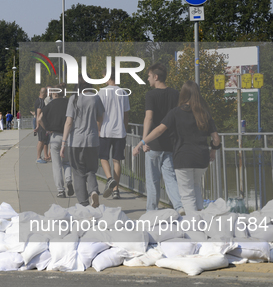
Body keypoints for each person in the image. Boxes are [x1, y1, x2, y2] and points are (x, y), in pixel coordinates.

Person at [133, 80, 221, 214]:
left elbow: (159, 130)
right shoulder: (204, 114)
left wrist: (142, 142)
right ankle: (200, 217)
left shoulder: (175, 112)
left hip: (183, 157)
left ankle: (193, 224)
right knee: (196, 187)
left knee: (186, 194)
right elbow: (216, 138)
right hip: (202, 158)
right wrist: (213, 150)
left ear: (183, 94)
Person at [136, 63, 184, 213]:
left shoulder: (151, 95)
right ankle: (180, 206)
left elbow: (148, 118)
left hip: (153, 144)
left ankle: (152, 211)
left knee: (152, 180)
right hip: (170, 143)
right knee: (170, 179)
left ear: (156, 77)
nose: (148, 79)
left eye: (149, 76)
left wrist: (144, 141)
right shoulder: (176, 94)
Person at [60, 80, 105, 208]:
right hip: (92, 141)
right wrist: (98, 130)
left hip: (76, 141)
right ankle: (94, 191)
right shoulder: (95, 97)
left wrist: (63, 143)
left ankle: (83, 203)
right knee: (91, 170)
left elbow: (69, 122)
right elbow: (100, 117)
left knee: (78, 172)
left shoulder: (74, 98)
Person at [98, 68, 130, 200]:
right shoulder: (123, 92)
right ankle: (116, 190)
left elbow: (99, 113)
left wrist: (98, 128)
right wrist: (125, 128)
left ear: (106, 77)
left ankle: (110, 179)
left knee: (103, 157)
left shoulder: (101, 92)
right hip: (119, 131)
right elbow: (126, 113)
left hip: (105, 130)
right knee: (117, 160)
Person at [38, 84, 73, 198]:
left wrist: (46, 128)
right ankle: (69, 180)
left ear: (53, 93)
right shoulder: (69, 103)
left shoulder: (50, 105)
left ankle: (61, 190)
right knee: (67, 162)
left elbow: (39, 118)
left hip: (54, 136)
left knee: (56, 165)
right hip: (68, 136)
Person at [34, 87, 51, 163]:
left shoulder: (38, 100)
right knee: (41, 140)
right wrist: (38, 125)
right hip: (41, 124)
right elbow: (38, 114)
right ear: (44, 93)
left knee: (42, 140)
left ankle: (39, 156)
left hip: (40, 123)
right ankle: (38, 157)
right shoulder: (41, 102)